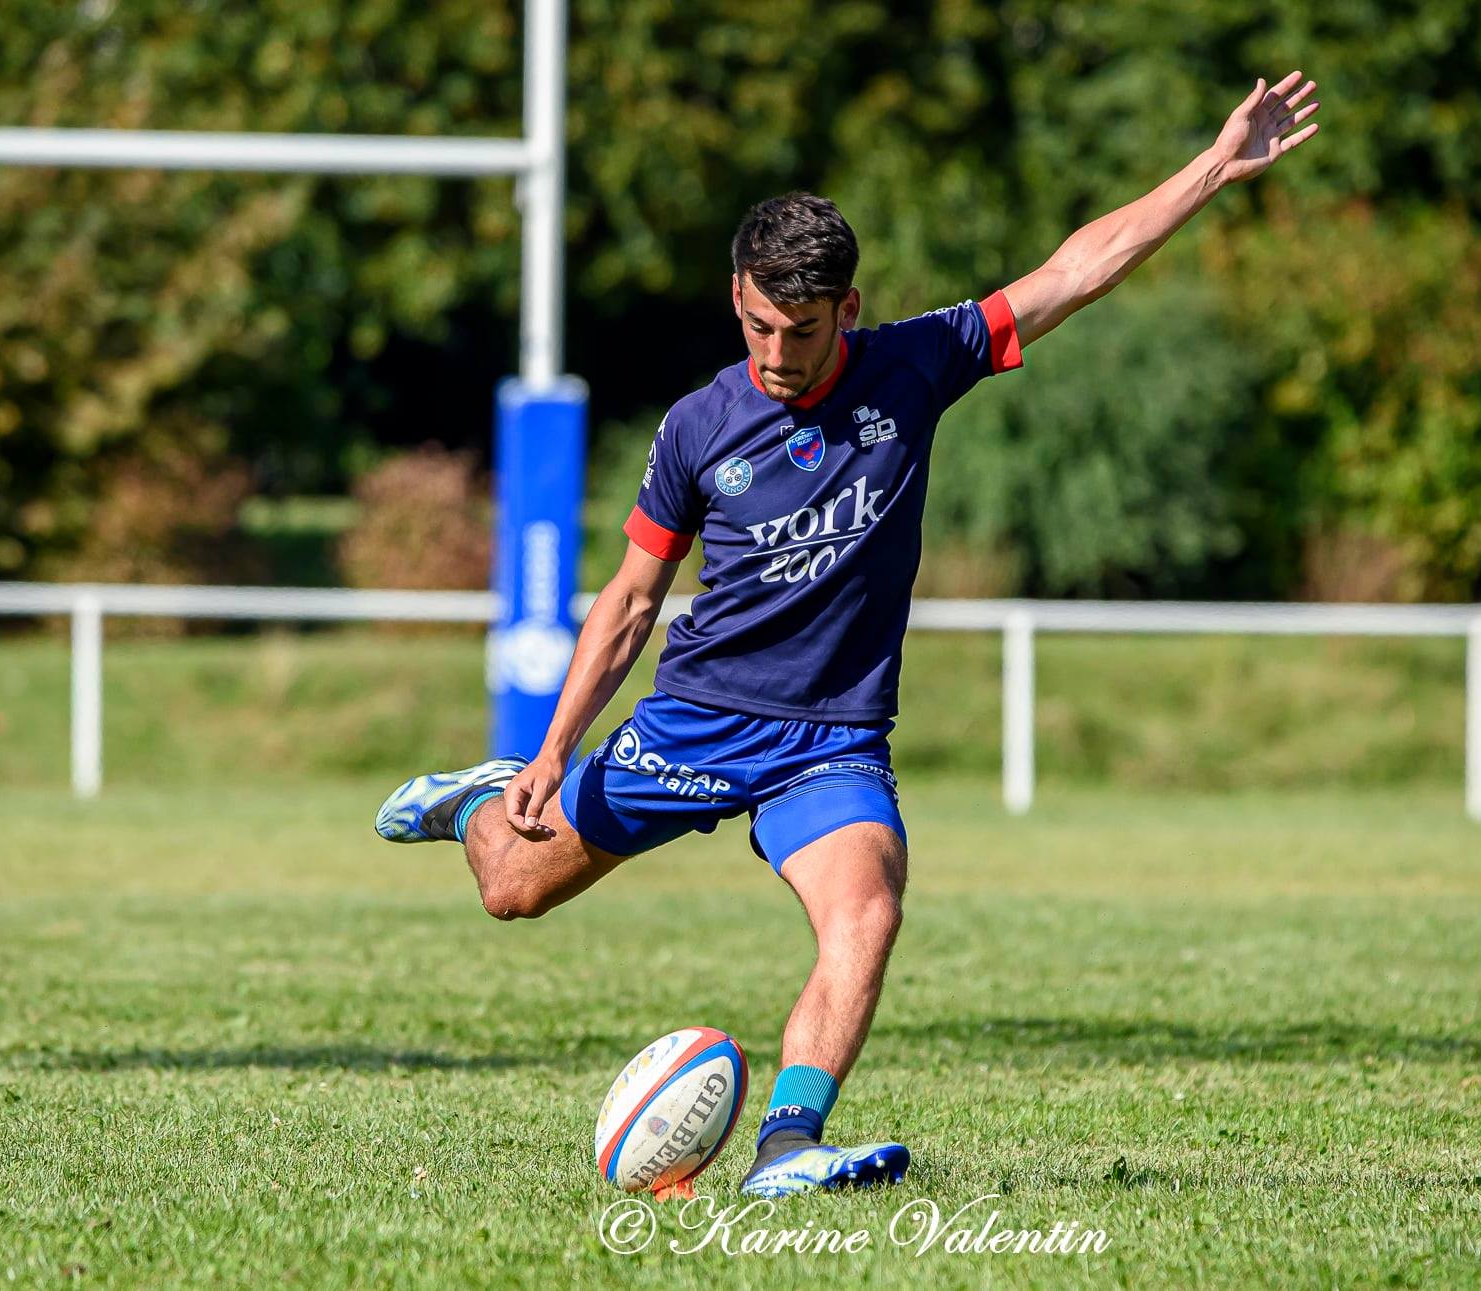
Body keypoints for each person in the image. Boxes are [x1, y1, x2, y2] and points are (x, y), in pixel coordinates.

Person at [375, 72, 1319, 1198]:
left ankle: (788, 1146)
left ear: (850, 310)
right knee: (510, 887)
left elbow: (1074, 270)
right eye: (760, 325)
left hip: (830, 739)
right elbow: (628, 601)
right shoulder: (697, 427)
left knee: (867, 906)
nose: (779, 353)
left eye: (804, 330)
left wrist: (1213, 167)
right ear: (736, 298)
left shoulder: (915, 366)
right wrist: (549, 750)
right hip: (696, 719)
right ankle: (477, 801)